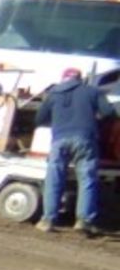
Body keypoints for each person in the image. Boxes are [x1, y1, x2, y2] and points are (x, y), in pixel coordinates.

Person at [35, 67, 108, 234]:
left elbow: (39, 119)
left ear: (63, 79)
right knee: (87, 179)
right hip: (85, 139)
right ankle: (84, 222)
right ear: (80, 79)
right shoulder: (92, 91)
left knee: (54, 178)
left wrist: (56, 122)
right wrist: (96, 118)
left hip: (59, 140)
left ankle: (48, 220)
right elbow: (109, 112)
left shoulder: (53, 93)